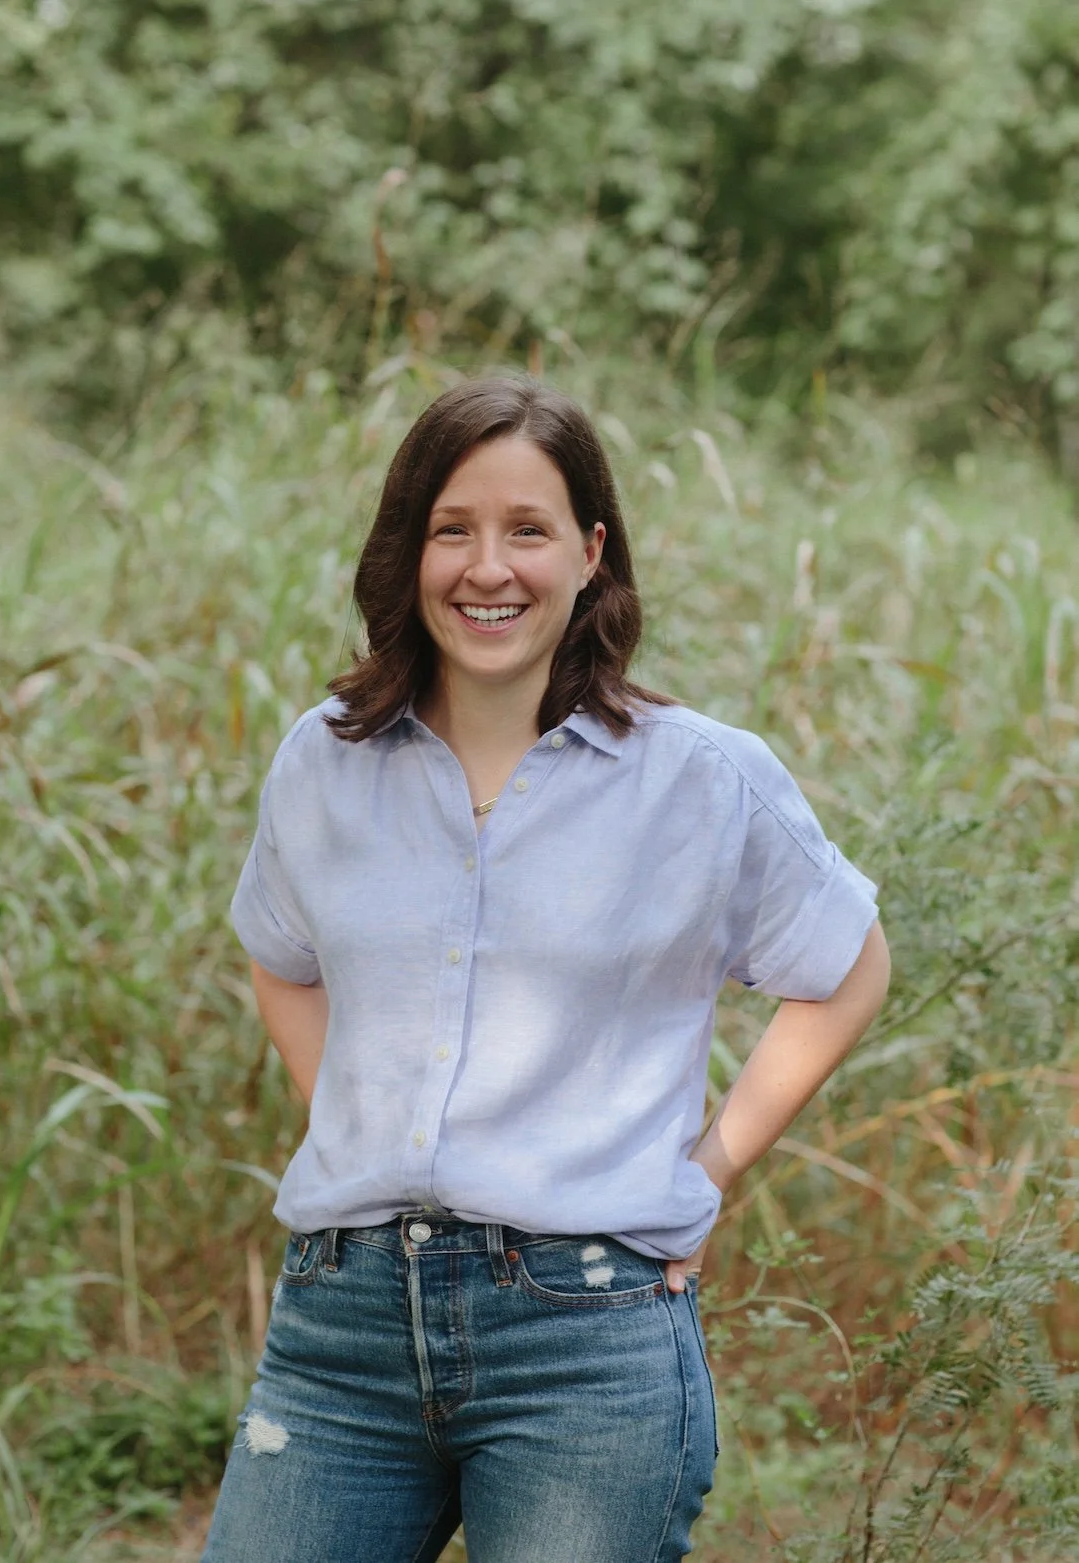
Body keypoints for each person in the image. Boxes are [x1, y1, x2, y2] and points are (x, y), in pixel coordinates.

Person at [201, 377, 891, 1563]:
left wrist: (708, 1165)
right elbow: (282, 961)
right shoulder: (323, 762)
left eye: (526, 530)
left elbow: (846, 967)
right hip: (341, 1328)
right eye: (451, 529)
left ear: (589, 551)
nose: (487, 568)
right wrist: (362, 1118)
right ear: (406, 550)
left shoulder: (697, 778)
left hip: (586, 1336)